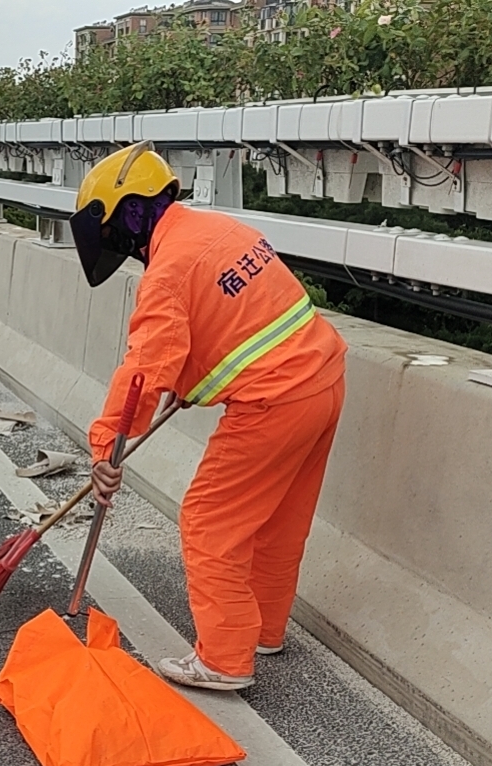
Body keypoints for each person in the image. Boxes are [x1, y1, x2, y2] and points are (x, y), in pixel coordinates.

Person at [70, 142, 347, 691]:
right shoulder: (220, 230)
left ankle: (223, 658)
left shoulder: (168, 271)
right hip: (324, 380)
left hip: (272, 401)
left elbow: (144, 371)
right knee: (278, 521)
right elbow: (234, 321)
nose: (120, 246)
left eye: (115, 232)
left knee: (208, 519)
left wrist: (105, 448)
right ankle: (263, 629)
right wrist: (195, 380)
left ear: (130, 211)